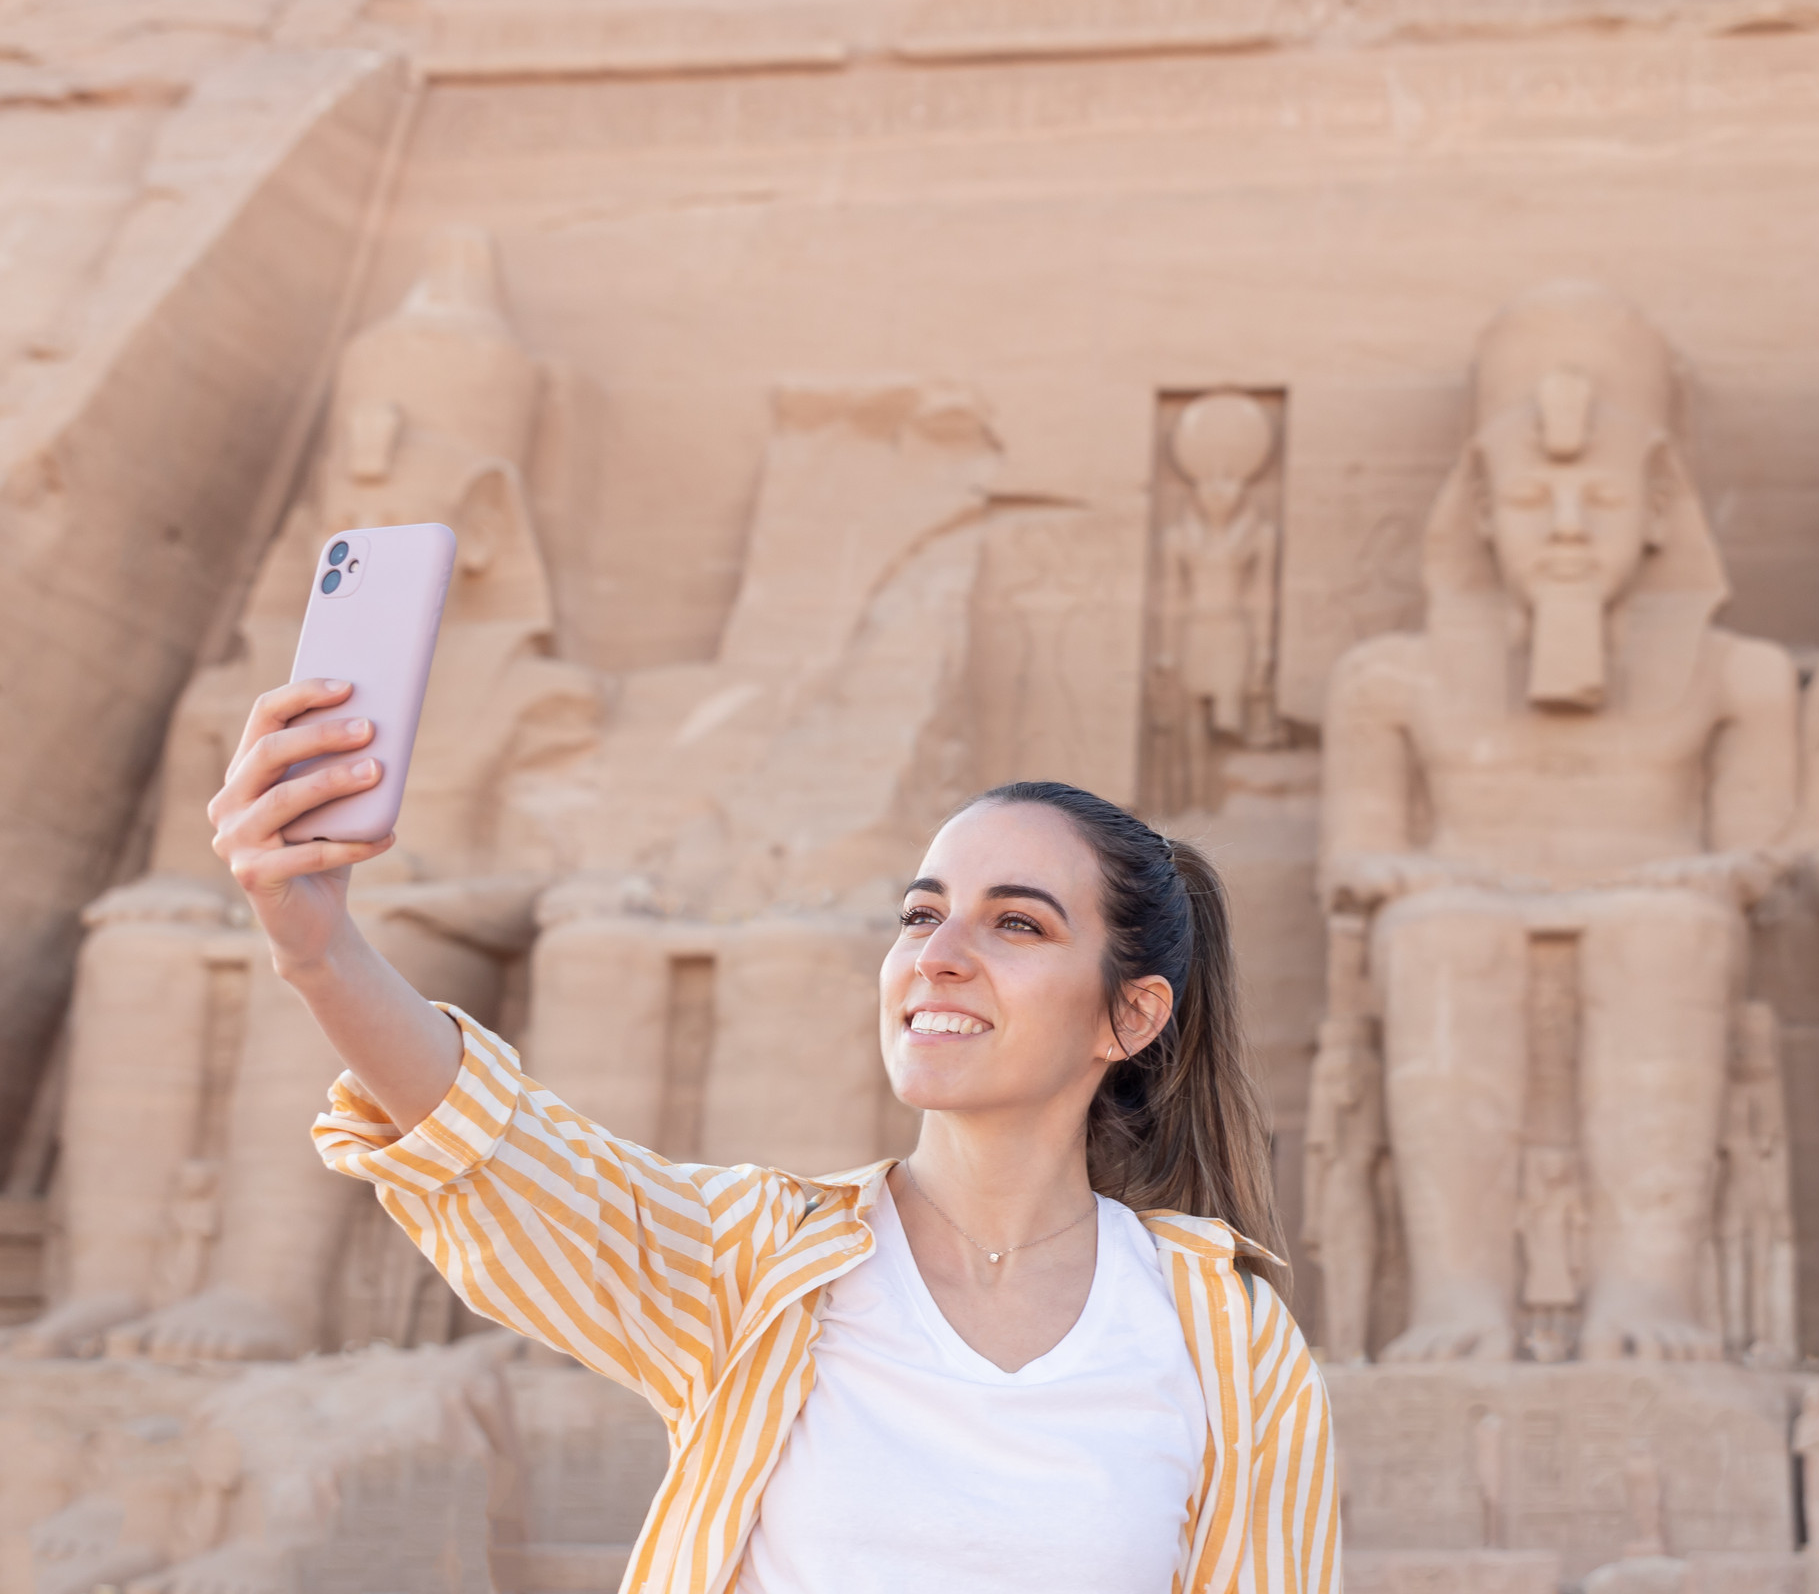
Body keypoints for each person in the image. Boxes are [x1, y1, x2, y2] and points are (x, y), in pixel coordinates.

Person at [206, 678, 1340, 1593]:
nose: (937, 952)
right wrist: (317, 947)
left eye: (1017, 922)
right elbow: (501, 1148)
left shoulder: (1225, 1345)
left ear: (1129, 1014)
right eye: (920, 912)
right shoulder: (760, 1263)